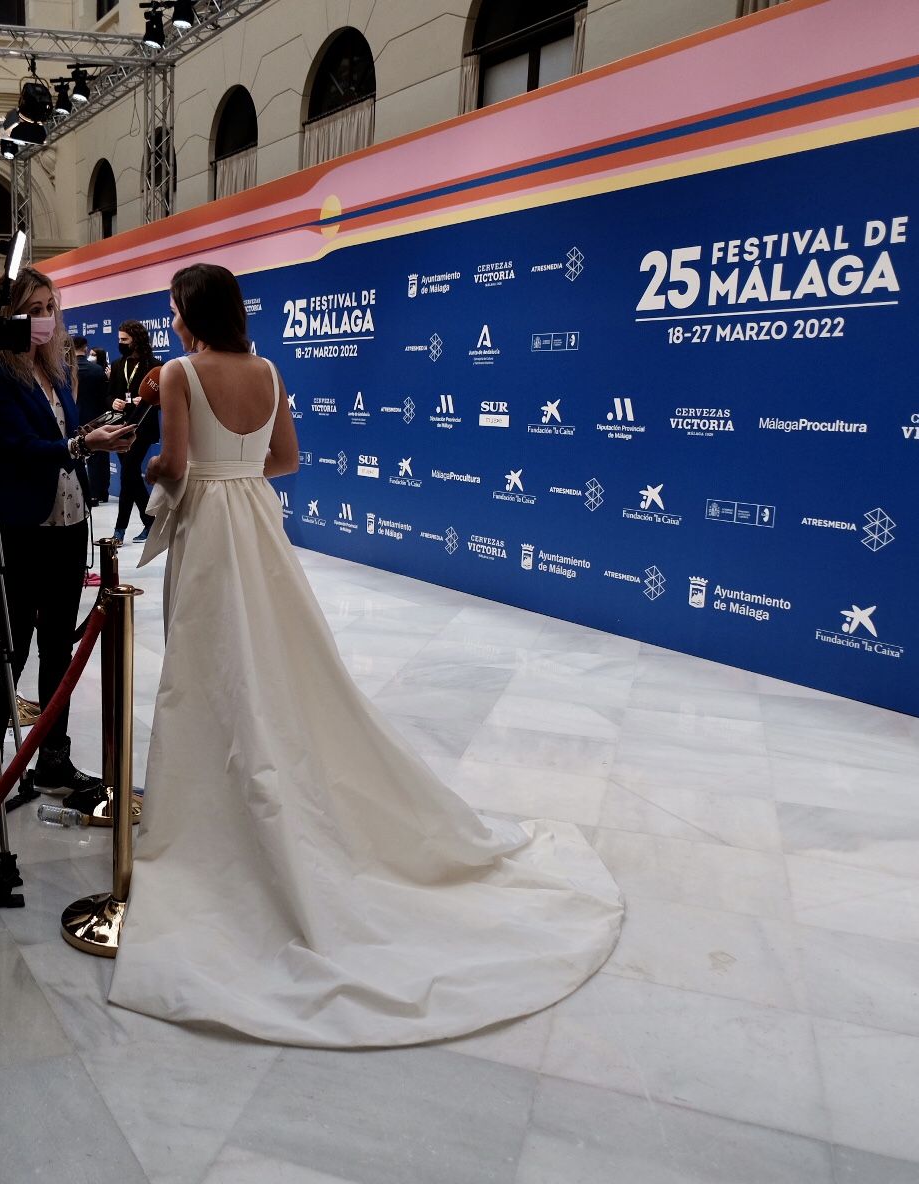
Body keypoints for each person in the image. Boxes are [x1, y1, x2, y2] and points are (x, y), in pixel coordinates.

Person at [107, 263, 624, 1046]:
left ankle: (217, 800)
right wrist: (238, 467)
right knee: (277, 660)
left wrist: (147, 464)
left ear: (189, 312)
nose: (173, 320)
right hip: (258, 522)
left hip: (211, 532)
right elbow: (288, 461)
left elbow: (175, 465)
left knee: (209, 667)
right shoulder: (269, 368)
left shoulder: (177, 373)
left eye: (176, 308)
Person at [0, 267, 132, 795]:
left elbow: (60, 437)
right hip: (24, 526)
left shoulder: (56, 369)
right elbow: (17, 448)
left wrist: (93, 436)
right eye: (32, 309)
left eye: (48, 308)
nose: (42, 319)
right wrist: (88, 446)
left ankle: (54, 759)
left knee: (58, 649)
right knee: (15, 646)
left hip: (68, 522)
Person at [107, 319, 158, 543]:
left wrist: (146, 401)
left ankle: (120, 530)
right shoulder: (118, 365)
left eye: (124, 340)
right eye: (119, 340)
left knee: (128, 472)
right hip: (120, 426)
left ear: (136, 340)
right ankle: (151, 522)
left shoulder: (155, 366)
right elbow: (108, 394)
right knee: (131, 475)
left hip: (143, 429)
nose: (121, 343)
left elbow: (164, 401)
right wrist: (113, 402)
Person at [71, 336, 109, 505]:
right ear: (85, 348)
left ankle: (85, 493)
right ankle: (98, 493)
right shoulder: (97, 370)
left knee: (76, 453)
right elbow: (104, 397)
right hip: (96, 418)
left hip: (74, 417)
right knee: (98, 456)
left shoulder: (67, 369)